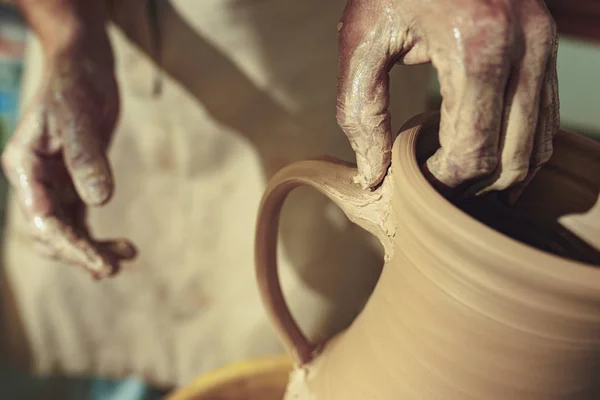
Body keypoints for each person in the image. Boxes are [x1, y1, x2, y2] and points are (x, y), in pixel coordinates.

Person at [0, 0, 558, 398]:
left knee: (339, 343)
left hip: (316, 59)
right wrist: (68, 34)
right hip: (117, 75)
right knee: (123, 325)